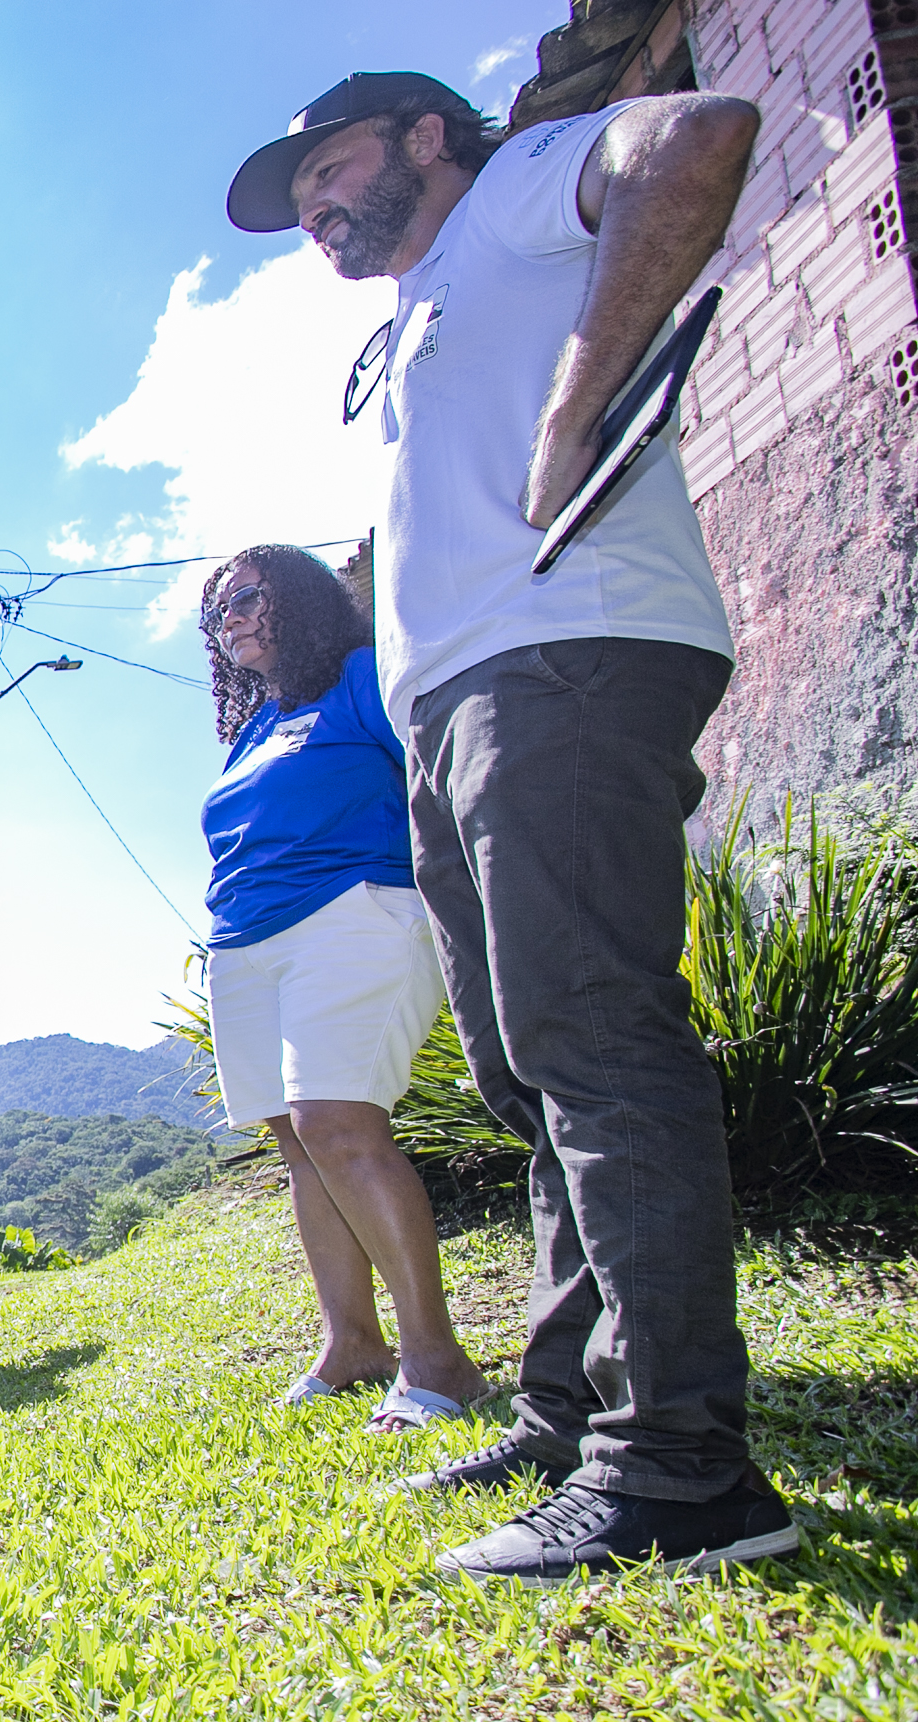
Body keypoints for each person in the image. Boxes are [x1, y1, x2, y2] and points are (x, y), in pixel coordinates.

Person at [231, 72, 797, 1579]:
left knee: (593, 1038)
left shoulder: (529, 181)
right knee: (522, 1066)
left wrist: (581, 391)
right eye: (301, 206)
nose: (318, 211)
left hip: (566, 657)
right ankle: (568, 1409)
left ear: (428, 137)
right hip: (459, 700)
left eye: (331, 169)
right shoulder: (418, 311)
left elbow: (700, 135)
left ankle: (683, 1464)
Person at [197, 546, 487, 1431]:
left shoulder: (362, 680)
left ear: (301, 599)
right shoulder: (255, 725)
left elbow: (440, 771)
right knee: (299, 1143)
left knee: (338, 1122)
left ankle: (438, 1359)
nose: (230, 619)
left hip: (356, 912)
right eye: (217, 614)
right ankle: (352, 1344)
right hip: (245, 942)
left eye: (246, 598)